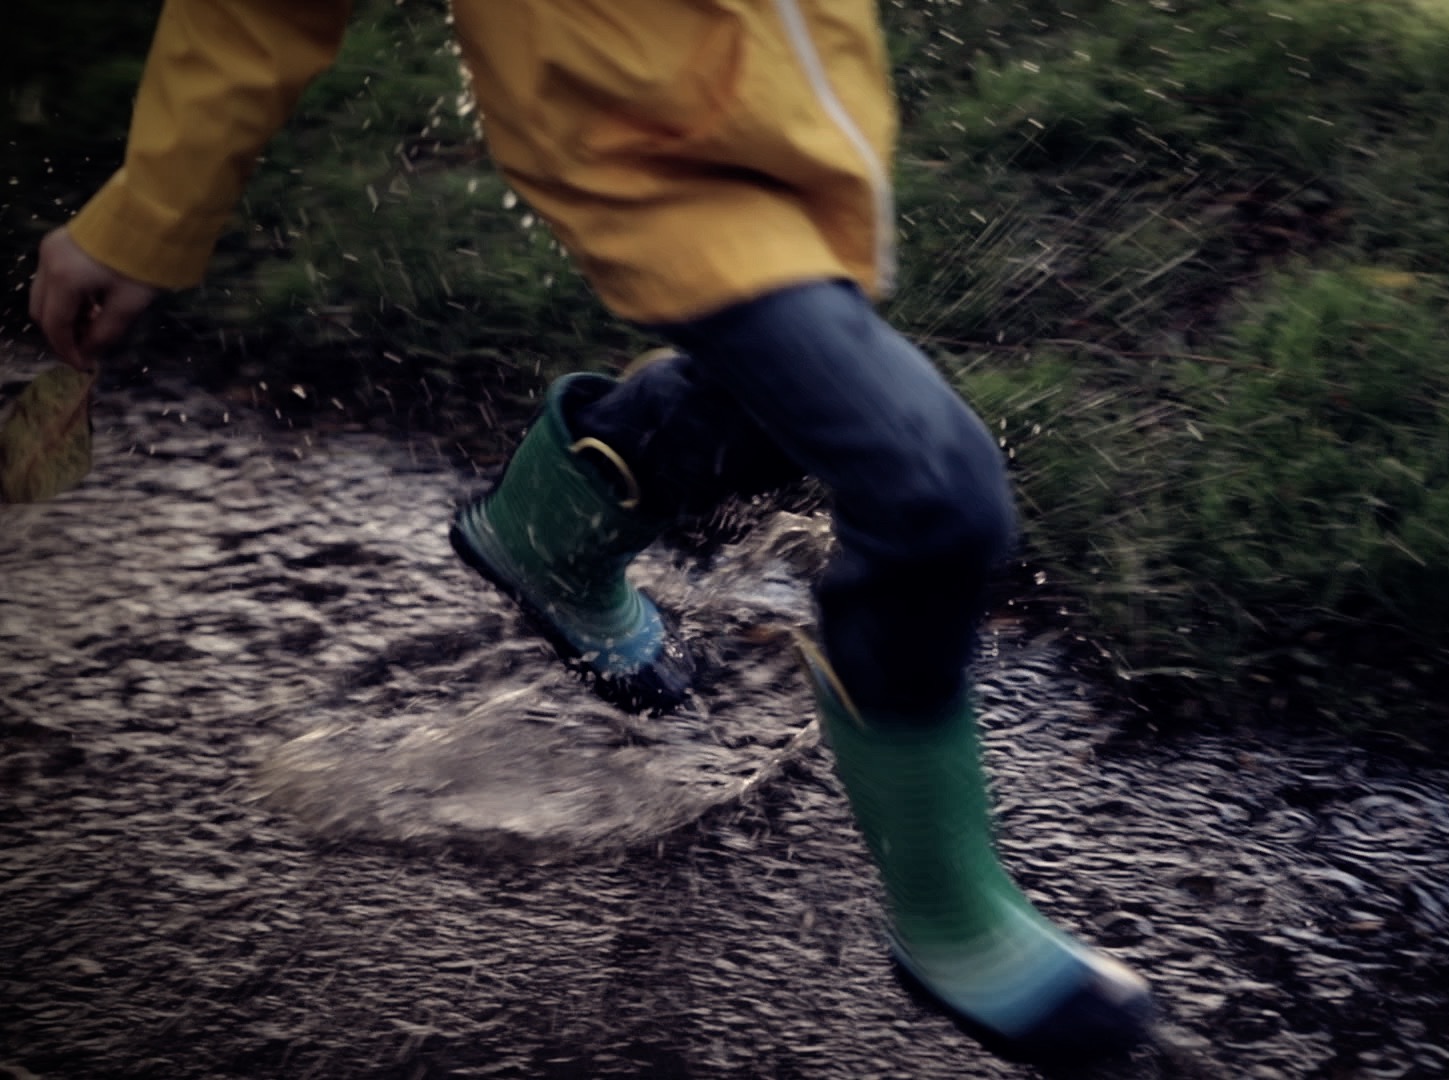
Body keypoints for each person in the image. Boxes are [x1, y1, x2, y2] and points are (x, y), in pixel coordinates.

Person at [29, 0, 1154, 1061]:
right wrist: (149, 212)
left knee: (776, 406)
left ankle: (560, 518)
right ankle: (954, 920)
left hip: (793, 105)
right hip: (639, 129)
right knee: (932, 495)